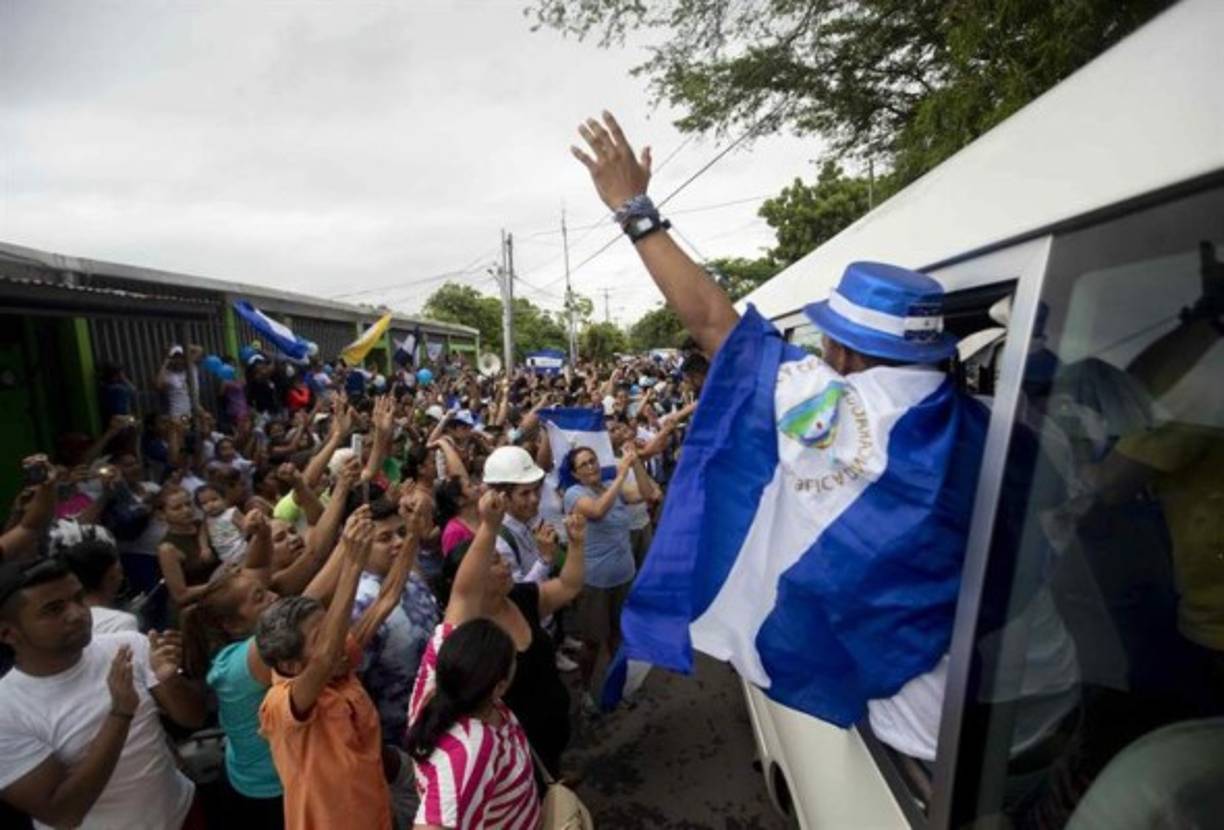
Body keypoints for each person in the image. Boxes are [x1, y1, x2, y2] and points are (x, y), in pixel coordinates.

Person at [571, 112, 991, 740]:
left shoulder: (836, 410)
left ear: (842, 352)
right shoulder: (990, 421)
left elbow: (713, 322)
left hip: (920, 737)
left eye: (827, 342)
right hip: (1022, 699)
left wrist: (634, 210)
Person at [0, 557, 206, 829]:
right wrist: (120, 714)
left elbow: (193, 718)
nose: (77, 614)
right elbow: (64, 813)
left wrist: (170, 679)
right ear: (8, 633)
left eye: (78, 598)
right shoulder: (7, 710)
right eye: (53, 609)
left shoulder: (127, 645)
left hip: (182, 813)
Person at [255, 508, 400, 830]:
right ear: (291, 664)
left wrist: (414, 535)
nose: (337, 638)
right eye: (322, 636)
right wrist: (353, 564)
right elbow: (323, 658)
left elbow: (387, 598)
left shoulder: (340, 663)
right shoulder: (281, 702)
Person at [431, 490, 586, 779]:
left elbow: (569, 586)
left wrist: (577, 545)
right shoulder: (468, 633)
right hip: (515, 752)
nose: (505, 567)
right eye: (493, 562)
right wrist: (489, 525)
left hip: (551, 727)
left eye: (502, 560)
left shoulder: (521, 598)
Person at [405, 619, 540, 830]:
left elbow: (445, 631)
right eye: (513, 659)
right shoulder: (473, 749)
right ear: (499, 687)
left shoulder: (436, 684)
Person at [562, 446, 647, 702]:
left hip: (623, 576)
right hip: (595, 582)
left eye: (593, 460)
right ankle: (585, 691)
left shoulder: (610, 486)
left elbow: (646, 494)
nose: (591, 467)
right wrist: (621, 475)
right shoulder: (574, 494)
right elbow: (597, 511)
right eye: (584, 464)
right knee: (592, 643)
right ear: (575, 474)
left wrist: (636, 463)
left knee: (617, 635)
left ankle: (618, 684)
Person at [483, 446, 558, 584]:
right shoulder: (499, 542)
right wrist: (544, 560)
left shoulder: (533, 518)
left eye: (536, 490)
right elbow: (516, 592)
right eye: (525, 493)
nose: (534, 499)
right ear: (503, 497)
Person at [59, 537, 138, 634]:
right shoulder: (121, 622)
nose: (121, 577)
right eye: (119, 571)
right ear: (111, 576)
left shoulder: (57, 623)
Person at [195, 483, 247, 563]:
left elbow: (246, 527)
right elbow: (202, 535)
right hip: (225, 558)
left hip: (242, 550)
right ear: (200, 508)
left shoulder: (231, 513)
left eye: (214, 499)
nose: (210, 505)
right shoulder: (207, 520)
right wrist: (204, 548)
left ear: (224, 499)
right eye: (204, 503)